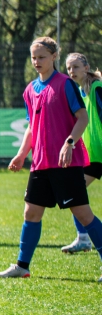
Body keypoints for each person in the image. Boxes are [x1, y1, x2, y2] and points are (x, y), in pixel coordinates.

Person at [0, 37, 102, 280]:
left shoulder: (66, 84)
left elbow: (82, 118)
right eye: (33, 57)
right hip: (40, 163)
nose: (36, 62)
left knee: (84, 215)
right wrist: (22, 154)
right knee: (31, 213)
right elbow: (32, 127)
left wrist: (69, 142)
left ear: (54, 56)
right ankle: (22, 266)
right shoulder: (30, 90)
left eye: (42, 57)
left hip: (66, 163)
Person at [61, 52, 102, 253]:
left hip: (99, 154)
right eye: (69, 68)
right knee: (73, 192)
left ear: (86, 68)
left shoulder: (97, 88)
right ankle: (83, 238)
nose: (71, 71)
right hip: (94, 156)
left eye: (75, 67)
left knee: (73, 192)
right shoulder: (80, 91)